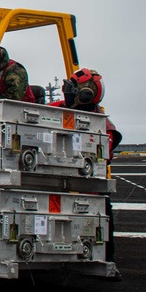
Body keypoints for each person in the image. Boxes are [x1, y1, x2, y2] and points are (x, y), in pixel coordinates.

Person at [49, 68, 122, 265]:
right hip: (54, 180)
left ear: (85, 94)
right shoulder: (57, 108)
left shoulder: (103, 126)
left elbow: (100, 158)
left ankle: (105, 258)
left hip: (87, 186)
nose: (67, 91)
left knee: (101, 213)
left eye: (71, 88)